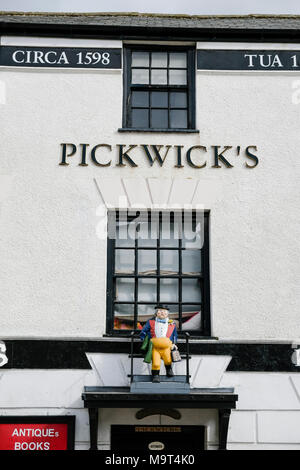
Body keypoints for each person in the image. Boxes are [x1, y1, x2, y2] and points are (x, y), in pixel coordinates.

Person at [139, 304, 177, 383]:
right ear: (156, 313)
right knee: (156, 362)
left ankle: (169, 370)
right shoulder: (151, 322)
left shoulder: (172, 324)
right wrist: (144, 339)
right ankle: (155, 376)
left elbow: (174, 335)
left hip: (167, 347)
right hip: (155, 347)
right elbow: (143, 331)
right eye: (160, 311)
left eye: (164, 311)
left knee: (168, 359)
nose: (162, 313)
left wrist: (174, 343)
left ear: (167, 314)